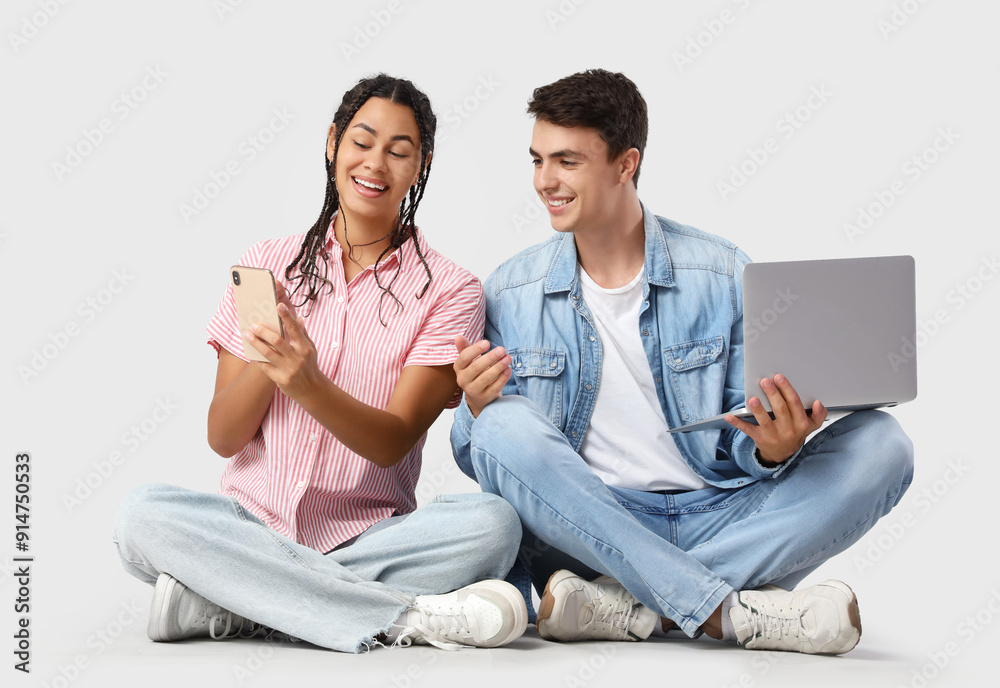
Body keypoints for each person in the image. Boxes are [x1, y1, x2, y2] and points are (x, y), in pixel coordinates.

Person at [450, 69, 913, 655]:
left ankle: (630, 606)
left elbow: (741, 432)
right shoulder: (512, 290)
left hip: (722, 515)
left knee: (883, 445)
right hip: (592, 528)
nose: (545, 181)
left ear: (626, 164)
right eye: (538, 160)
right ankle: (725, 611)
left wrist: (774, 447)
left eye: (567, 161)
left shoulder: (720, 271)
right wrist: (475, 407)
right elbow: (483, 458)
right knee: (500, 426)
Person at [114, 74, 527, 653]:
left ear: (421, 165)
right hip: (249, 530)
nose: (375, 163)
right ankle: (403, 617)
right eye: (362, 141)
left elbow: (392, 442)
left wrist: (308, 384)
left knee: (493, 526)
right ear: (333, 142)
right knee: (140, 516)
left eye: (399, 151)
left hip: (372, 538)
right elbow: (224, 437)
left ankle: (237, 603)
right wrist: (272, 363)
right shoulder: (266, 265)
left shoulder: (451, 291)